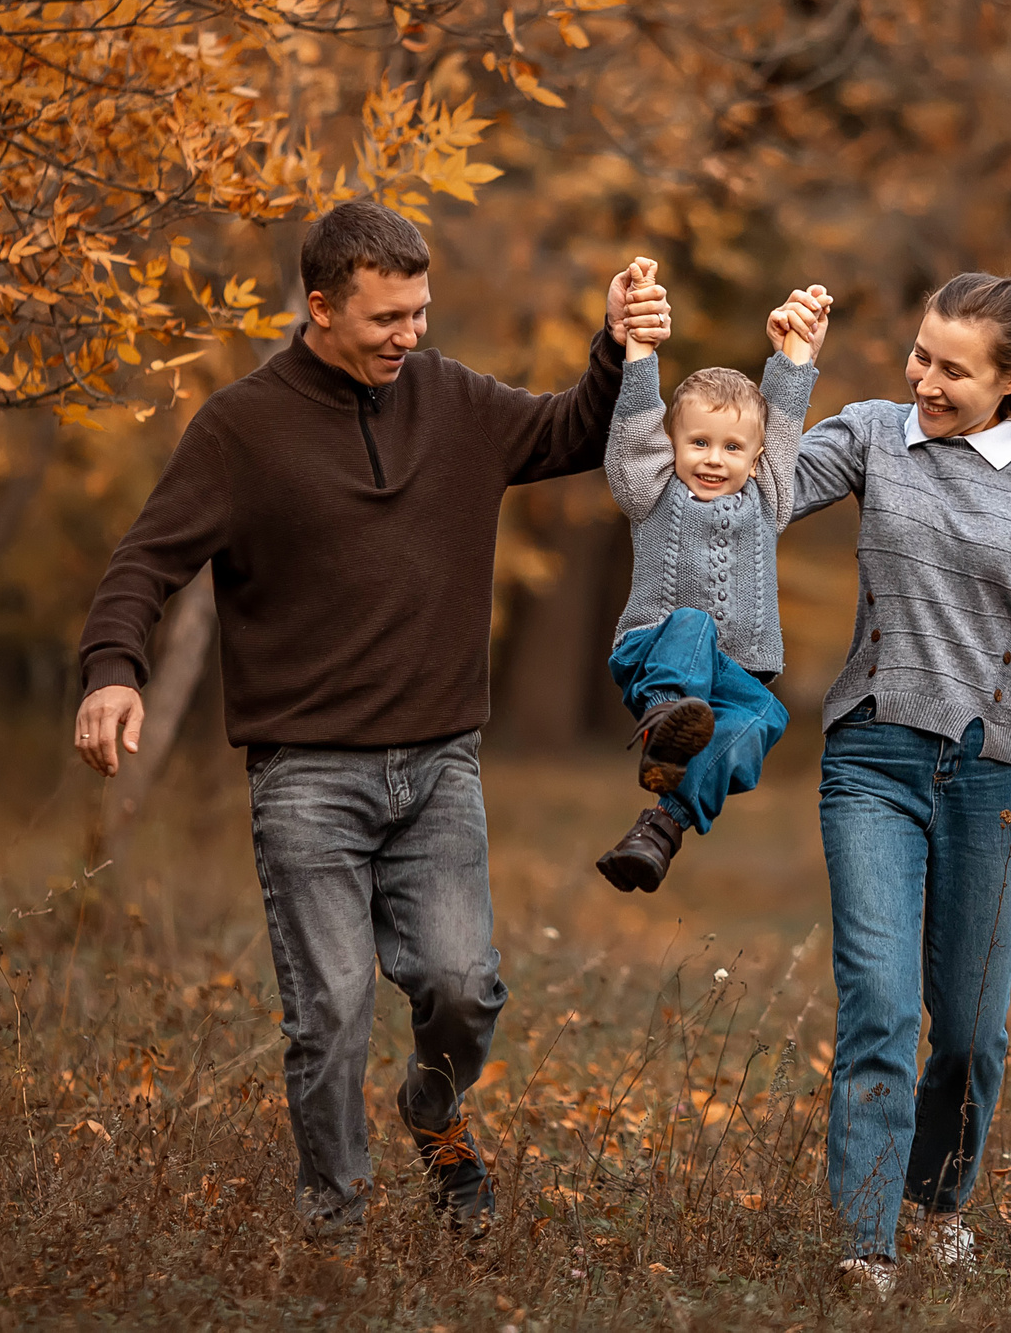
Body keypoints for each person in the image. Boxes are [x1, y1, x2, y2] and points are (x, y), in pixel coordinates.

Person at [69, 201, 669, 1240]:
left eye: (421, 312)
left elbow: (573, 429)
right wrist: (112, 671)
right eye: (388, 317)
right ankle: (333, 1234)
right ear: (320, 307)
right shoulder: (241, 430)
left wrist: (614, 344)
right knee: (333, 1010)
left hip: (438, 764)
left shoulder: (453, 400)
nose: (411, 335)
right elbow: (144, 562)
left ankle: (431, 1111)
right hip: (306, 777)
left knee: (462, 989)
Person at [788, 272, 1011, 1293]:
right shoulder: (875, 435)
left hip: (994, 770)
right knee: (880, 1008)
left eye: (951, 369)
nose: (923, 379)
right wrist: (789, 371)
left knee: (971, 1034)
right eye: (919, 355)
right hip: (874, 754)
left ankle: (935, 1203)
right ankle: (865, 1247)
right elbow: (757, 490)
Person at [591, 261, 832, 892]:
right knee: (692, 624)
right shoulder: (651, 489)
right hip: (656, 654)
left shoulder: (770, 495)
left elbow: (783, 419)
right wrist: (640, 343)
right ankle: (664, 722)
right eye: (697, 442)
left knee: (763, 720)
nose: (712, 459)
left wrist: (797, 349)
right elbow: (636, 422)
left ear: (756, 459)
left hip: (731, 676)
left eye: (731, 447)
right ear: (673, 445)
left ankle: (662, 827)